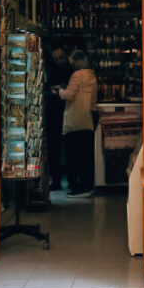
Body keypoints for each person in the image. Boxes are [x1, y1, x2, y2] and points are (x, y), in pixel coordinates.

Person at [57, 50, 98, 197]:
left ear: (75, 62)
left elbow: (69, 95)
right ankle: (88, 186)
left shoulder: (77, 75)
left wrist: (60, 90)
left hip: (75, 120)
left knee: (73, 155)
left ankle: (77, 188)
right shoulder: (91, 75)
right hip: (88, 119)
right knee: (86, 155)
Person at [45, 43, 72, 190]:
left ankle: (68, 180)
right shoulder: (53, 71)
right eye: (56, 59)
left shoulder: (71, 70)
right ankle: (56, 180)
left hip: (67, 112)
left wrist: (59, 90)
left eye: (61, 57)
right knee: (54, 149)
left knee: (70, 148)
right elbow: (47, 90)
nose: (59, 61)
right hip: (55, 115)